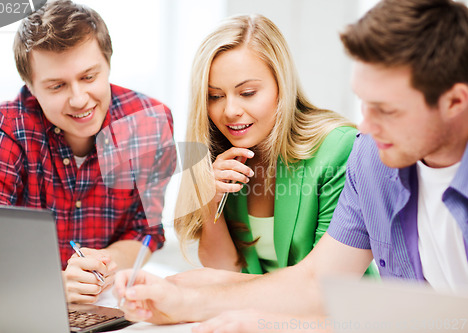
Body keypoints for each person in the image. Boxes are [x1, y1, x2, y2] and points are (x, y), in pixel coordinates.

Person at [114, 0, 468, 329]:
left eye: (387, 110)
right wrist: (181, 298)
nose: (365, 127)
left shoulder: (345, 149)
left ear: (455, 102)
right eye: (363, 104)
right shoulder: (373, 160)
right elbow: (317, 284)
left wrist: (256, 321)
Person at [0, 0, 175, 304]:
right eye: (57, 86)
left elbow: (146, 233)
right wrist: (51, 285)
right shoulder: (5, 130)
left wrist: (101, 265)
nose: (79, 100)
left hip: (106, 303)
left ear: (108, 64)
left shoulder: (150, 123)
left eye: (89, 77)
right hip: (22, 303)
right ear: (30, 86)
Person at [173, 13, 361, 277]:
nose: (229, 111)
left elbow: (326, 281)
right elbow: (225, 272)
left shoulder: (338, 148)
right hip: (258, 313)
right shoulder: (222, 159)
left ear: (281, 87)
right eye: (214, 96)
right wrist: (209, 199)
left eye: (247, 93)